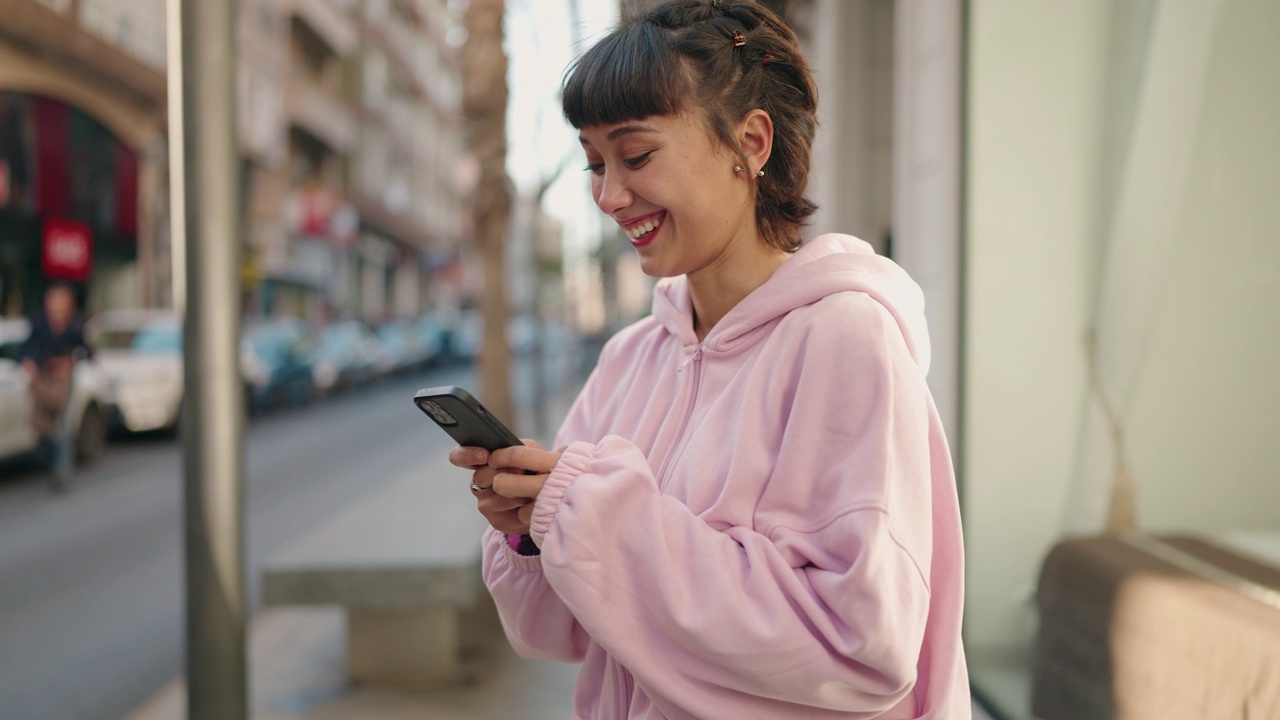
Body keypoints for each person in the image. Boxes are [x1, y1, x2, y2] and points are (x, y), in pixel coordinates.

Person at [448, 1, 970, 717]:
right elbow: (560, 631)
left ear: (751, 143)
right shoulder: (631, 357)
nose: (608, 195)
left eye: (636, 156)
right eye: (595, 163)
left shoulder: (847, 340)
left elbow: (859, 646)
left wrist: (590, 514)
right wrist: (531, 527)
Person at [20, 282, 92, 459]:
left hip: (63, 379)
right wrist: (28, 362)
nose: (55, 305)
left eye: (60, 300)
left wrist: (71, 360)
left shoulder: (76, 324)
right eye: (52, 300)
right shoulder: (39, 322)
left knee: (62, 423)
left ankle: (61, 465)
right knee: (38, 421)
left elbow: (88, 351)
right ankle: (53, 445)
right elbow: (26, 347)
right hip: (43, 377)